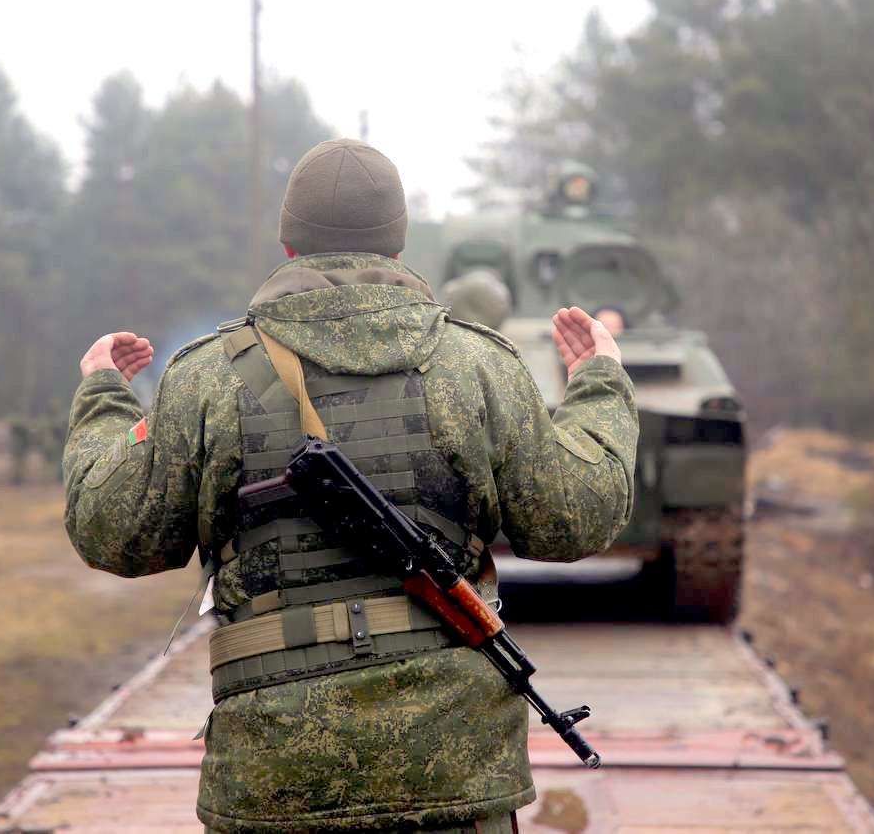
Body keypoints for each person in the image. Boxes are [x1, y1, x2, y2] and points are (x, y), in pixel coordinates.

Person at [62, 139, 639, 833]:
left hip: (274, 779)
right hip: (453, 772)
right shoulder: (478, 363)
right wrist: (600, 383)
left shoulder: (205, 376)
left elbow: (118, 536)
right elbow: (572, 520)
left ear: (288, 246)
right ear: (397, 245)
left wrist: (102, 396)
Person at [8, 415, 32, 485]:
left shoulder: (19, 437)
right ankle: (17, 479)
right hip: (19, 451)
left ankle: (18, 479)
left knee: (19, 466)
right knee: (18, 466)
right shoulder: (19, 437)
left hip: (19, 451)